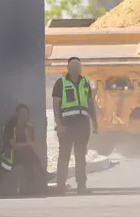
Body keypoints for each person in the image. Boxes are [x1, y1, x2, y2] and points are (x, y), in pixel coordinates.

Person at [52, 57, 98, 194]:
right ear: (68, 68)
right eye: (73, 66)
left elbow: (90, 104)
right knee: (64, 155)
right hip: (67, 124)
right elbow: (56, 105)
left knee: (80, 156)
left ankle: (81, 185)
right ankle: (60, 185)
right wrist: (59, 124)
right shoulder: (60, 83)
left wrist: (95, 123)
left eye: (78, 66)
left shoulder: (85, 82)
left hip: (82, 124)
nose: (75, 68)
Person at [1, 104, 51, 196]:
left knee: (31, 160)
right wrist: (28, 145)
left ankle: (40, 183)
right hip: (11, 156)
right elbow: (15, 145)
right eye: (22, 113)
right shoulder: (10, 127)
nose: (24, 116)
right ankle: (43, 177)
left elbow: (31, 145)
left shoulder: (29, 127)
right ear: (17, 114)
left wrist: (27, 134)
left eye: (26, 114)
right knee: (29, 154)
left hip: (24, 155)